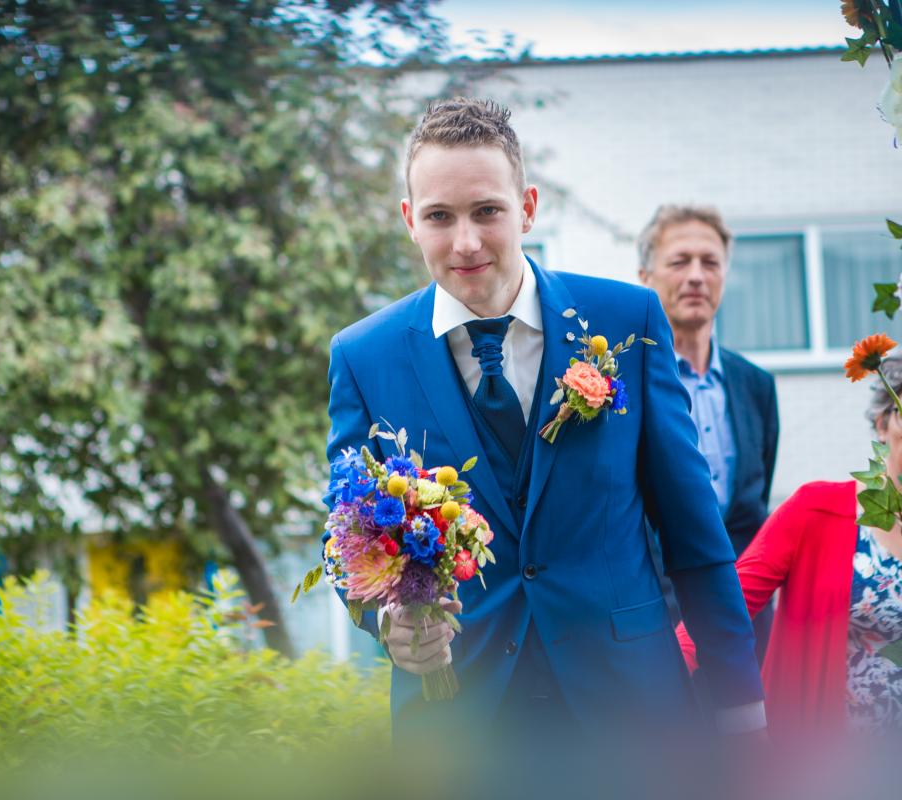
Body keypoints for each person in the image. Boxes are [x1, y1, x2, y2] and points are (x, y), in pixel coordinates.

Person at [322, 97, 763, 744]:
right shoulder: (364, 356)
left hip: (632, 718)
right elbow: (345, 538)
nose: (466, 241)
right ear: (410, 221)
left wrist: (741, 709)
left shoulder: (628, 322)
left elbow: (694, 537)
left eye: (487, 212)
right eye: (441, 217)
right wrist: (386, 622)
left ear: (526, 207)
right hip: (460, 725)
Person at [678, 355, 902, 739]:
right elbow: (718, 615)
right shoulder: (815, 512)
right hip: (825, 766)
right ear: (883, 423)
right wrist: (643, 692)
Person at [637, 205, 780, 663]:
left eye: (710, 262)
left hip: (747, 619)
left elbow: (752, 504)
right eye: (680, 261)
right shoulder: (622, 387)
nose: (696, 276)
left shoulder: (756, 385)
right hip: (654, 625)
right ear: (646, 276)